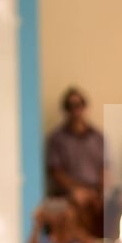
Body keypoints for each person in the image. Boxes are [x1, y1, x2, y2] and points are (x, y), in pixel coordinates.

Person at [45, 86, 106, 234]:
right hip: (68, 192)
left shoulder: (97, 137)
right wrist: (77, 190)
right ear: (65, 109)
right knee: (78, 202)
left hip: (95, 189)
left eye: (78, 105)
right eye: (70, 106)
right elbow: (56, 172)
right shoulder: (57, 138)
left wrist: (99, 192)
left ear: (85, 107)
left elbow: (104, 168)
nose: (75, 110)